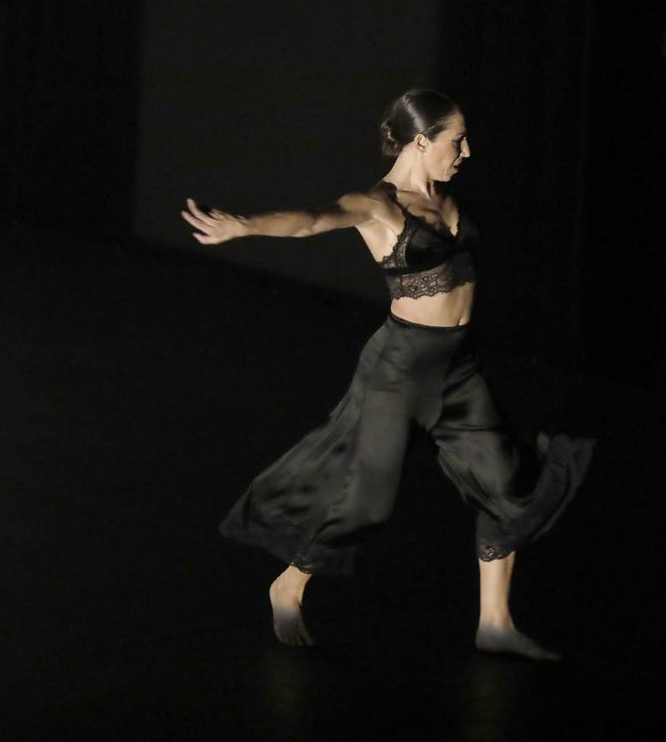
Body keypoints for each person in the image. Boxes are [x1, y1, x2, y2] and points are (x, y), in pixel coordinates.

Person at [181, 88, 594, 661]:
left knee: (505, 485)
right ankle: (289, 584)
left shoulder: (449, 201)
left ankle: (494, 623)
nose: (467, 152)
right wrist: (245, 226)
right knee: (368, 502)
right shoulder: (379, 207)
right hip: (401, 368)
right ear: (422, 141)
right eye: (457, 140)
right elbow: (309, 222)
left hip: (459, 365)